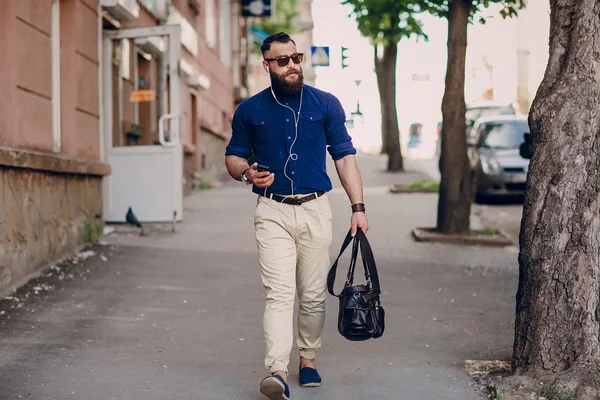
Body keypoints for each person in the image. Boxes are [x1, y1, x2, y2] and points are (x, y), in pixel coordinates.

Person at [224, 32, 369, 400]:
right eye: (283, 60)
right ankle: (277, 370)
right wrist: (247, 173)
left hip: (316, 209)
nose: (292, 66)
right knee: (279, 294)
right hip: (272, 210)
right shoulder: (250, 110)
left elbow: (344, 156)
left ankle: (307, 359)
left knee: (313, 295)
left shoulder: (325, 104)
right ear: (267, 65)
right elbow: (234, 156)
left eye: (296, 58)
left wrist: (358, 208)